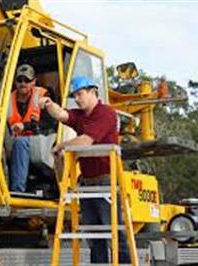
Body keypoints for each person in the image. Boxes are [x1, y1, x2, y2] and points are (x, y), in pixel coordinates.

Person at [38, 76, 130, 263]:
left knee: (113, 231)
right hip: (87, 184)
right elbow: (62, 115)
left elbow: (86, 141)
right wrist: (48, 104)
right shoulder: (81, 115)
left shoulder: (106, 113)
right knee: (94, 235)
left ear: (92, 92)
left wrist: (62, 145)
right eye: (75, 95)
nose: (77, 99)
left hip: (106, 182)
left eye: (80, 94)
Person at [7, 64, 49, 192]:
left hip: (41, 137)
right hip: (13, 139)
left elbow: (49, 123)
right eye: (19, 80)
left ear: (34, 81)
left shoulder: (43, 95)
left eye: (27, 80)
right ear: (15, 82)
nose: (23, 83)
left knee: (20, 143)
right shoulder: (7, 99)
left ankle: (17, 189)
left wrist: (25, 126)